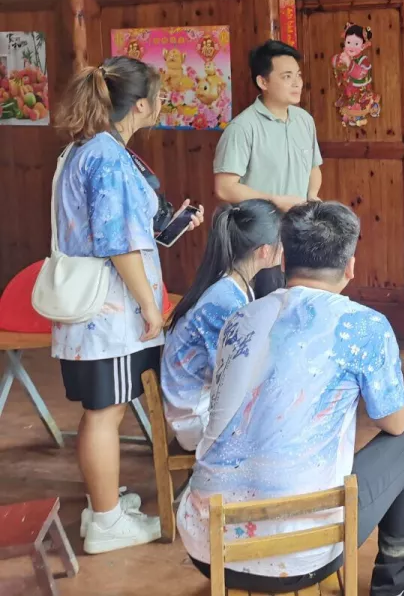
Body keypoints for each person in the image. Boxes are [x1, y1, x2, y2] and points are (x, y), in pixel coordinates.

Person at [177, 201, 404, 596]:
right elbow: (395, 423)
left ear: (283, 260)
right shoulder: (364, 325)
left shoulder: (240, 318)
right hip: (300, 553)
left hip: (206, 540)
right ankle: (398, 588)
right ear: (350, 266)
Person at [52, 57, 204, 554]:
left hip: (95, 312)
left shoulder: (87, 148)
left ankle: (104, 504)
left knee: (103, 409)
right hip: (111, 314)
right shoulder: (110, 157)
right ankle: (105, 522)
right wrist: (150, 307)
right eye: (158, 97)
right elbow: (119, 244)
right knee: (105, 412)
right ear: (140, 105)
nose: (160, 105)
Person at [160, 199, 282, 451]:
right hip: (196, 419)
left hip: (199, 404)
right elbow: (232, 377)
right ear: (264, 251)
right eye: (281, 243)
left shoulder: (234, 284)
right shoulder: (226, 301)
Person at [213, 40, 322, 297]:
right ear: (263, 82)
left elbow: (313, 167)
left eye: (298, 75)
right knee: (264, 304)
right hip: (259, 239)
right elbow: (225, 188)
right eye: (287, 77)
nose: (297, 83)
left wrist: (312, 195)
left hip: (299, 232)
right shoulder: (243, 128)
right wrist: (274, 200)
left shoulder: (304, 120)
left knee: (295, 302)